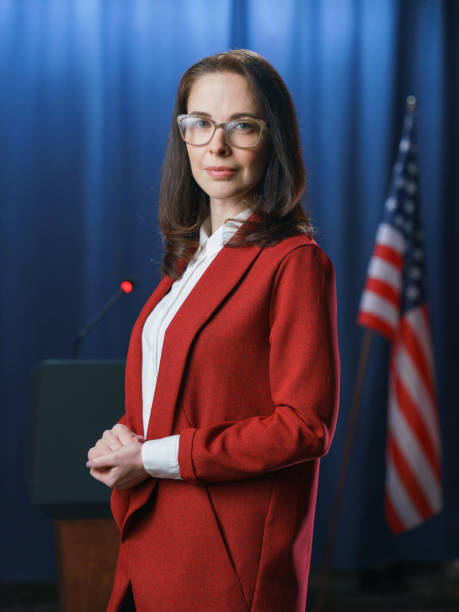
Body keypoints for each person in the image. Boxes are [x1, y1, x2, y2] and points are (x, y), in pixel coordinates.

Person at [86, 49, 340, 612]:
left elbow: (305, 427)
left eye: (241, 126)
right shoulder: (187, 264)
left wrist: (150, 457)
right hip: (153, 533)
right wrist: (124, 439)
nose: (216, 146)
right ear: (183, 136)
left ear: (274, 140)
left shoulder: (294, 261)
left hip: (226, 557)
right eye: (199, 124)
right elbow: (179, 399)